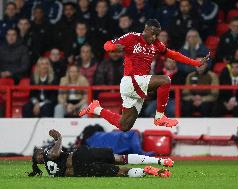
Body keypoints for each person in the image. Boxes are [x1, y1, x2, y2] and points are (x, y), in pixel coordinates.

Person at [79, 19, 209, 131]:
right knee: (165, 80)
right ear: (146, 29)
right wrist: (112, 48)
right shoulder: (132, 37)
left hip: (138, 86)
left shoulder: (156, 44)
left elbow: (173, 54)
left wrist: (195, 62)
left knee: (124, 125)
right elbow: (107, 44)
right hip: (131, 81)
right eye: (152, 34)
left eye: (156, 35)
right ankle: (159, 117)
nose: (154, 37)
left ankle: (96, 108)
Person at [27, 129, 172, 177]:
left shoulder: (49, 171)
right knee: (120, 158)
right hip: (80, 157)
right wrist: (59, 138)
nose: (41, 150)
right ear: (39, 157)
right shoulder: (47, 155)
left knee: (120, 171)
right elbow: (54, 154)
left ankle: (146, 170)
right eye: (38, 152)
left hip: (81, 170)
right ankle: (158, 161)